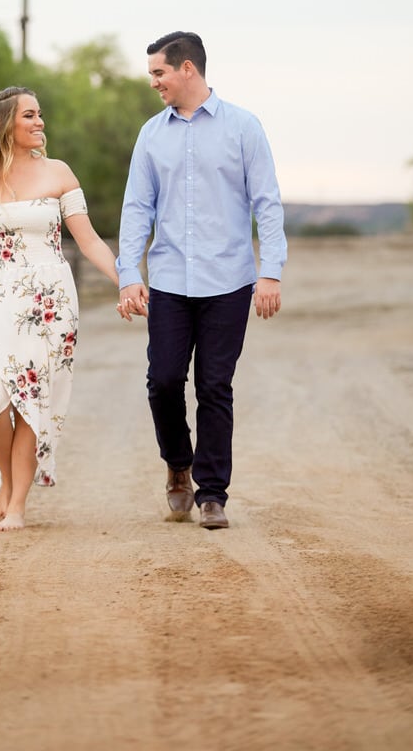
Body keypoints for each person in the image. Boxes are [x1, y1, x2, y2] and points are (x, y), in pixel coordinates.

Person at [116, 31, 287, 529]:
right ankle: (178, 463)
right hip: (169, 277)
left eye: (159, 72)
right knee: (163, 381)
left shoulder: (243, 128)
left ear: (187, 68)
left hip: (229, 280)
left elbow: (267, 204)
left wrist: (270, 271)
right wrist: (130, 274)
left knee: (215, 386)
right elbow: (136, 209)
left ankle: (213, 493)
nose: (154, 82)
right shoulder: (151, 134)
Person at [0, 86, 119, 532]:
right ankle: (6, 479)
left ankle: (17, 503)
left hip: (48, 302)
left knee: (32, 399)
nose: (40, 123)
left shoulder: (59, 174)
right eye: (30, 116)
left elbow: (89, 239)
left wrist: (127, 281)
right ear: (5, 125)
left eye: (40, 115)